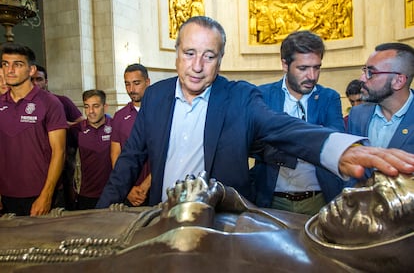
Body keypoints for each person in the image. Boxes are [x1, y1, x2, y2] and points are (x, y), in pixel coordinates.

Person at [96, 16, 414, 209]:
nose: (196, 66)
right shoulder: (155, 96)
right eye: (189, 53)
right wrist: (102, 213)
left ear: (220, 61)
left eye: (208, 56)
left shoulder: (240, 97)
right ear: (176, 54)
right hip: (160, 219)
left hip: (220, 229)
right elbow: (130, 158)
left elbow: (283, 128)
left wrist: (337, 148)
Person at [0, 171, 413, 272]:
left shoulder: (311, 265)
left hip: (122, 251)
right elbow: (260, 221)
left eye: (377, 209)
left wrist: (193, 206)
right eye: (369, 188)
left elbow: (184, 260)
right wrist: (230, 198)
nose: (351, 195)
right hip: (138, 222)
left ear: (395, 246)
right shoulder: (318, 234)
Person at [251, 30, 345, 215]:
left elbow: (334, 143)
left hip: (319, 200)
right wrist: (314, 138)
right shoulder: (262, 95)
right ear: (285, 64)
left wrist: (280, 142)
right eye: (303, 68)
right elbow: (253, 144)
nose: (312, 76)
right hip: (270, 199)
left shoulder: (329, 97)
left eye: (317, 67)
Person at [0, 43, 67, 216]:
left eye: (18, 64)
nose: (10, 70)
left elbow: (59, 152)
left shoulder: (50, 103)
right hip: (7, 196)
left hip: (41, 194)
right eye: (5, 64)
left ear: (31, 70)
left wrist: (46, 195)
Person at [32, 64, 84, 210]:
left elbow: (82, 123)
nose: (36, 83)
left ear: (46, 81)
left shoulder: (60, 101)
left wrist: (62, 125)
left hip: (65, 159)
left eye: (39, 79)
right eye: (33, 80)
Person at [348, 43, 414, 157]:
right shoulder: (356, 114)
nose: (362, 78)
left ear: (398, 81)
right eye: (364, 70)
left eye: (371, 73)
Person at [111, 63, 151, 206]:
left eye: (136, 83)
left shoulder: (162, 112)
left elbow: (168, 154)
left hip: (157, 188)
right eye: (127, 84)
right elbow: (116, 155)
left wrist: (146, 186)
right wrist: (126, 188)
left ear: (147, 82)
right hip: (129, 192)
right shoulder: (119, 116)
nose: (131, 89)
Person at [70, 89, 113, 210]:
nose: (91, 111)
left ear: (105, 107)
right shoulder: (76, 130)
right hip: (86, 195)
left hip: (112, 193)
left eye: (96, 106)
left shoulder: (115, 126)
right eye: (87, 107)